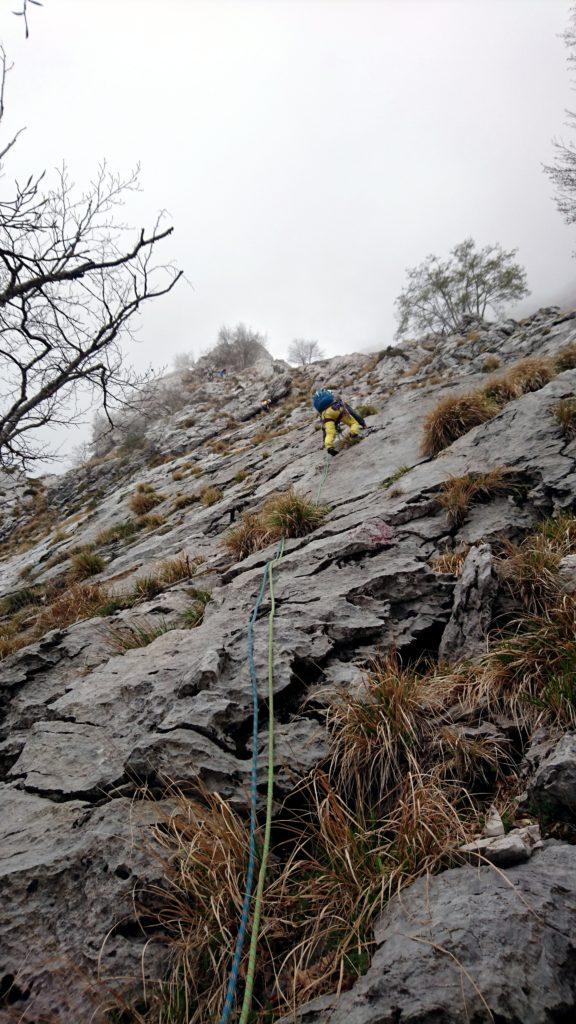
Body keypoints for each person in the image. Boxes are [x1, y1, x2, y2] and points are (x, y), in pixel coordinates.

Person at [312, 388, 367, 455]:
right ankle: (353, 434)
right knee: (353, 423)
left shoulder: (322, 410)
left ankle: (329, 447)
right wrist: (363, 424)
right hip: (337, 409)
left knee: (330, 433)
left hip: (326, 415)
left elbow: (324, 428)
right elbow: (352, 413)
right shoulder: (337, 400)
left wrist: (324, 442)